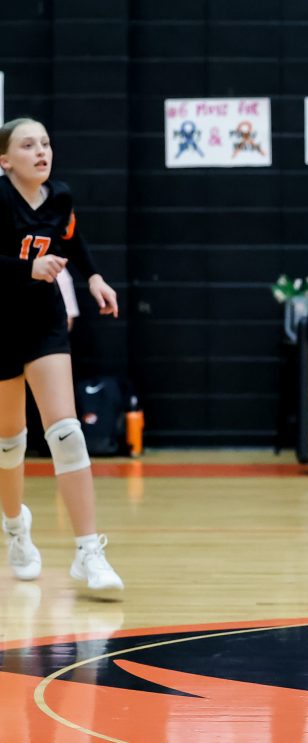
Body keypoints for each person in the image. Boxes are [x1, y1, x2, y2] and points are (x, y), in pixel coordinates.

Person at [0, 117, 124, 592]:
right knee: (9, 444)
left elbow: (73, 239)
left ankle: (88, 552)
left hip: (44, 323)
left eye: (46, 143)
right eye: (28, 145)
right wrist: (27, 269)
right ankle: (16, 527)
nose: (41, 151)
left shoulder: (60, 197)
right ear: (5, 160)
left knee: (67, 433)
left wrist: (93, 277)